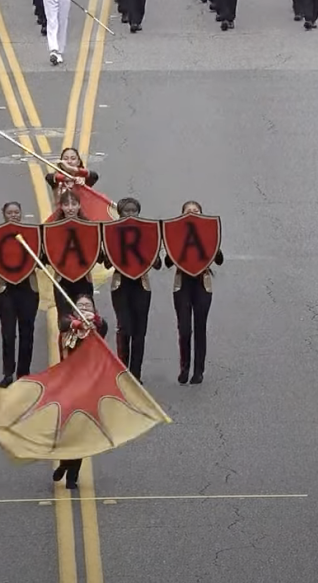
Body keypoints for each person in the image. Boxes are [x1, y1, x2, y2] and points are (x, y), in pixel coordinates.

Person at [53, 292, 108, 490]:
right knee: (68, 434)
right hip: (67, 389)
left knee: (82, 435)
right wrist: (79, 323)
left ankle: (71, 476)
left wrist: (94, 322)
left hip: (88, 390)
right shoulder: (68, 326)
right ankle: (63, 463)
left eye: (88, 306)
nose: (84, 308)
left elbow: (104, 327)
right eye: (81, 306)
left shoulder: (96, 331)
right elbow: (63, 324)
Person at [105, 197, 160, 382]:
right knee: (124, 328)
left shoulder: (147, 233)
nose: (130, 215)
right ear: (120, 214)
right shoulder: (111, 233)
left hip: (141, 286)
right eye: (126, 211)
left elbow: (158, 263)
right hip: (120, 285)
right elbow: (105, 262)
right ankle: (122, 370)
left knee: (139, 332)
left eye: (133, 211)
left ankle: (136, 374)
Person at [0, 201, 40, 387]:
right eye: (10, 212)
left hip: (28, 289)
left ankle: (24, 373)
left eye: (17, 212)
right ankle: (8, 373)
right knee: (8, 333)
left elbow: (41, 260)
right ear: (3, 214)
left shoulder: (31, 235)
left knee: (27, 332)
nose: (14, 215)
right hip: (6, 290)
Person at [168, 200, 222, 385]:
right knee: (184, 329)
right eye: (188, 211)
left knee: (200, 328)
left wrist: (213, 243)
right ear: (182, 214)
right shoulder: (175, 233)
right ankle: (184, 367)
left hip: (202, 284)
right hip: (182, 284)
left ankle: (199, 371)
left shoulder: (208, 233)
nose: (192, 213)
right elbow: (168, 261)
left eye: (195, 210)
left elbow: (219, 259)